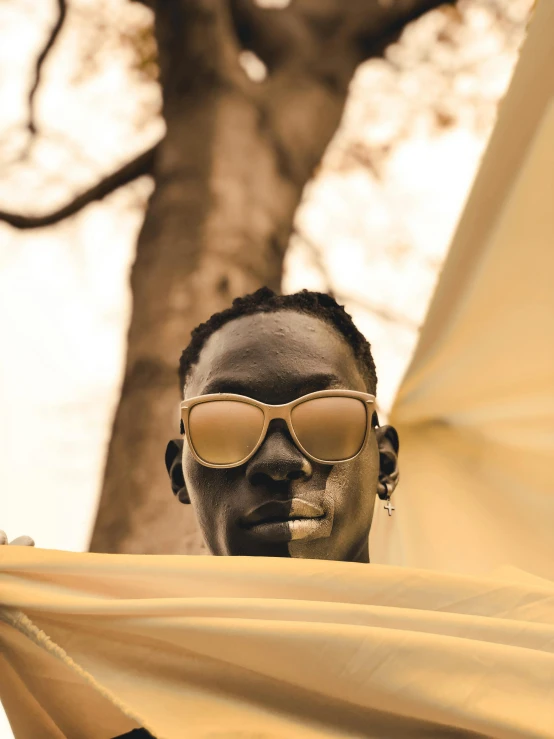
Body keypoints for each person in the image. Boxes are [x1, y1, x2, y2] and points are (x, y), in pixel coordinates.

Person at [2, 287, 400, 739]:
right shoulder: (112, 725)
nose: (278, 461)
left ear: (385, 464)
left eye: (328, 419)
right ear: (179, 476)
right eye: (225, 426)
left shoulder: (483, 689)